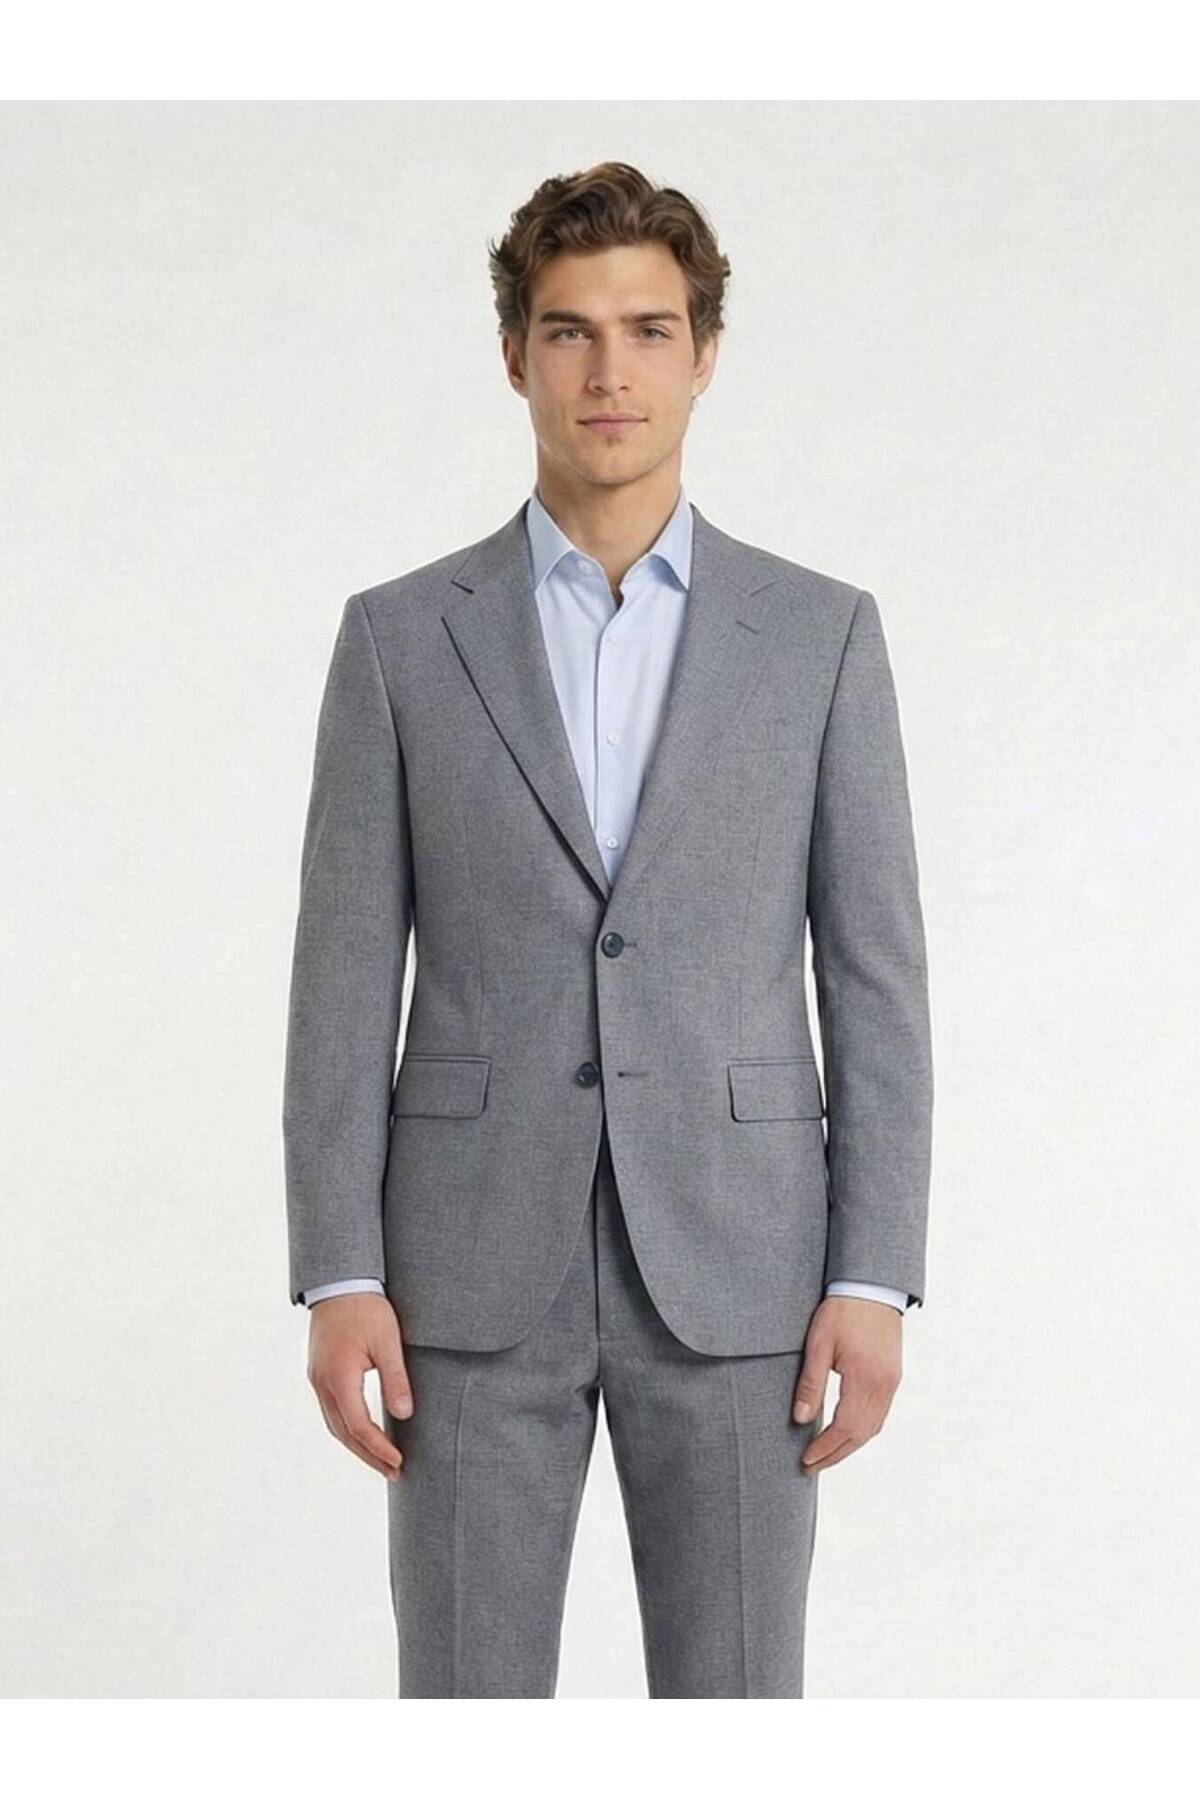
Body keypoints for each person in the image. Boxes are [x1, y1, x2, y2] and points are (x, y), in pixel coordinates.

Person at [282, 160, 932, 1698]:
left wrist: (874, 1275)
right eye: (570, 331)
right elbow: (342, 979)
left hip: (743, 1264)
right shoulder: (400, 640)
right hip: (461, 1271)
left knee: (735, 1704)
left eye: (649, 330)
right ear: (515, 356)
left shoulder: (822, 636)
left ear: (706, 356)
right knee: (466, 1702)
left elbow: (876, 978)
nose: (609, 372)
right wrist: (336, 1269)